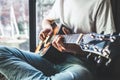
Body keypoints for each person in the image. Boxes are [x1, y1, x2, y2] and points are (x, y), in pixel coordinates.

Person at [0, 0, 116, 80]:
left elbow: (108, 45)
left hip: (79, 64)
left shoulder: (100, 2)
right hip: (49, 57)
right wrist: (47, 28)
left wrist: (74, 48)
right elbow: (48, 20)